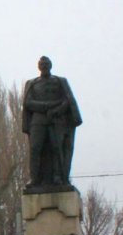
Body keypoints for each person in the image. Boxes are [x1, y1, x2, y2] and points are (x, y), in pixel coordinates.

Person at [21, 55, 82, 189]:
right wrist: (49, 106)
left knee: (57, 148)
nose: (44, 66)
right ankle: (35, 179)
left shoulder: (60, 81)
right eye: (42, 64)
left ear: (50, 65)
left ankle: (58, 176)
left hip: (57, 119)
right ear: (39, 67)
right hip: (38, 120)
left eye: (46, 64)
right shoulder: (32, 83)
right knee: (35, 148)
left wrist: (58, 109)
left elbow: (68, 100)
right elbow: (28, 103)